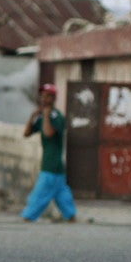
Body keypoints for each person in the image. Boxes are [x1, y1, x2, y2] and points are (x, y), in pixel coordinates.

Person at [20, 83, 77, 222]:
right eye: (42, 96)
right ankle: (70, 215)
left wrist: (45, 115)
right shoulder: (40, 117)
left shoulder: (57, 116)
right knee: (61, 193)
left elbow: (48, 133)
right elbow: (26, 133)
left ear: (53, 98)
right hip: (53, 164)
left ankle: (28, 216)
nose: (43, 99)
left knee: (40, 193)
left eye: (47, 96)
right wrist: (33, 116)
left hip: (51, 164)